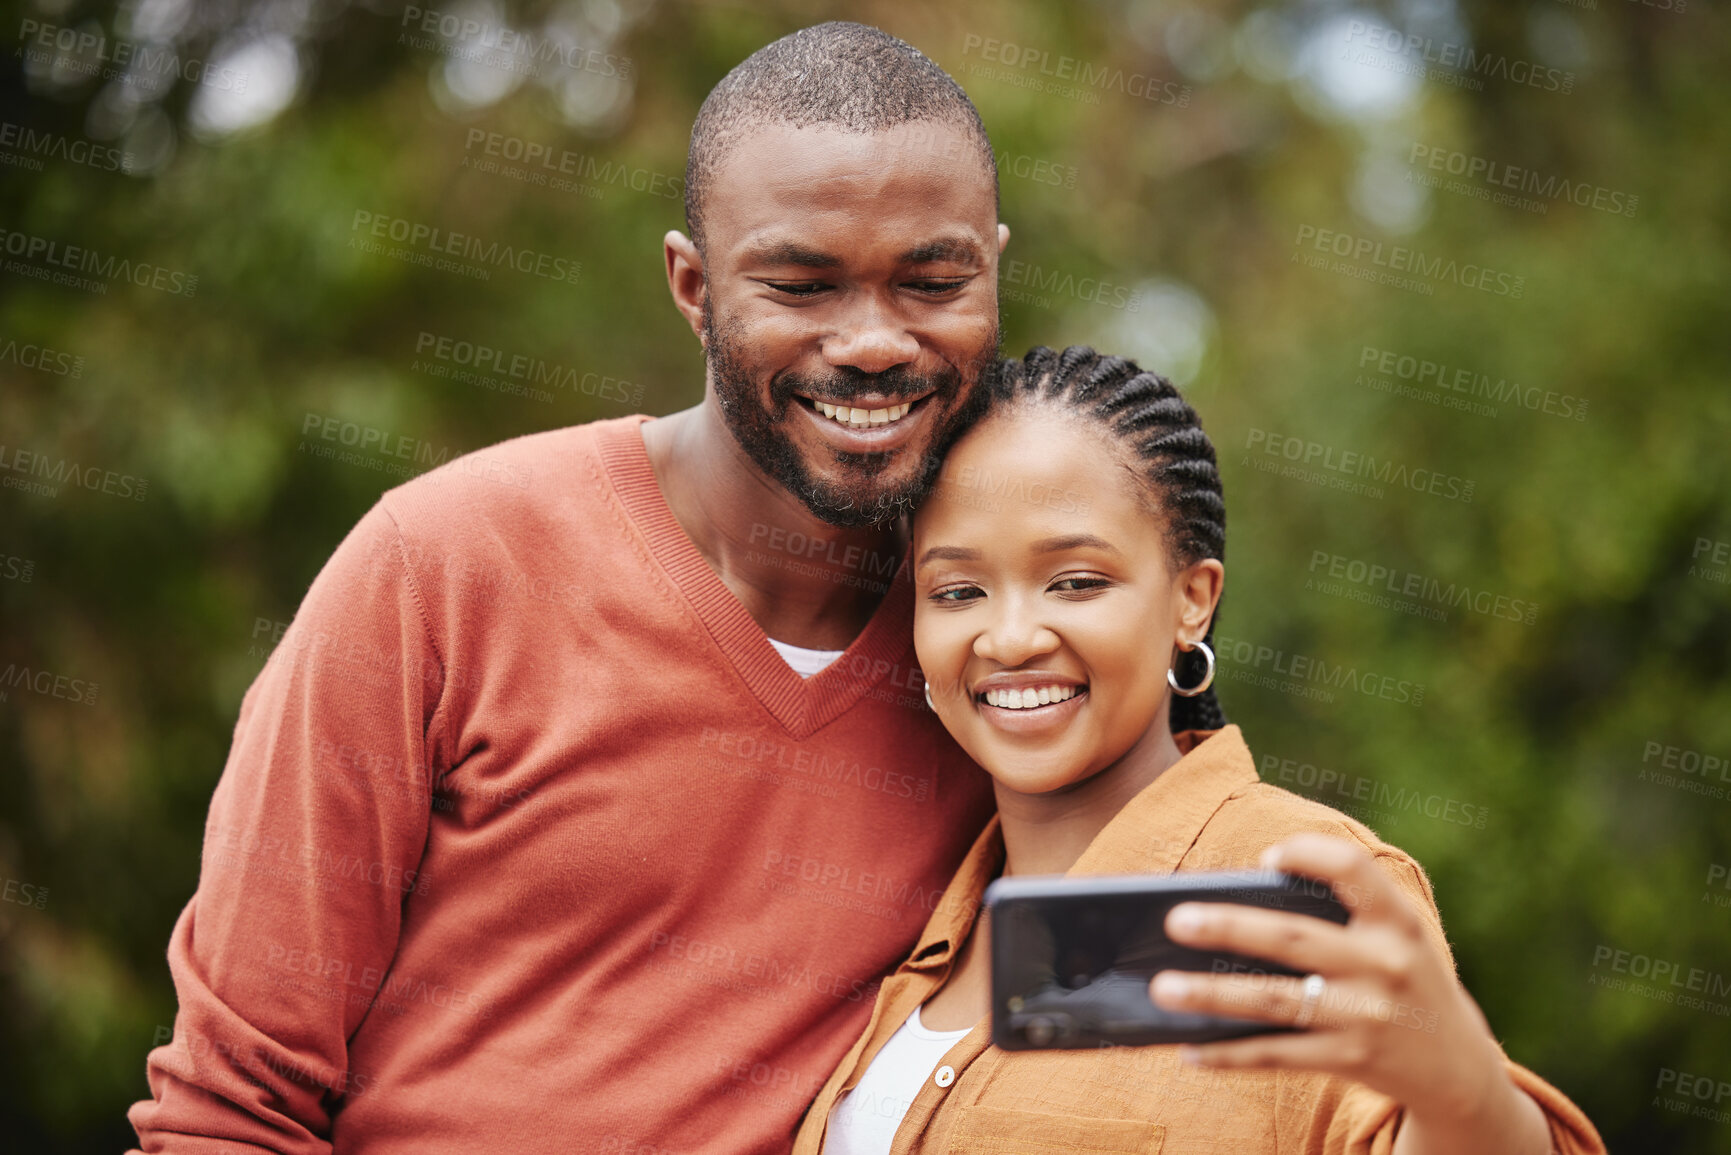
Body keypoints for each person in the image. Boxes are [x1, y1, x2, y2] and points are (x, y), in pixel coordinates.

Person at [128, 23, 1013, 1154]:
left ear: (991, 269)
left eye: (934, 281)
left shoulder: (1005, 652)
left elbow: (1146, 949)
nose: (876, 341)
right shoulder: (443, 564)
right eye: (801, 283)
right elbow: (227, 1108)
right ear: (694, 288)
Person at [793, 346, 1606, 1154]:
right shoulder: (916, 921)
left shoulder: (1291, 888)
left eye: (1075, 580)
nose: (1008, 637)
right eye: (957, 591)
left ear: (1192, 599)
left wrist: (1461, 1092)